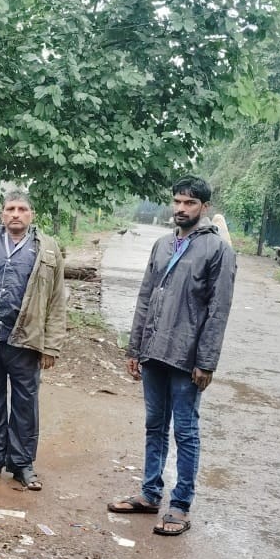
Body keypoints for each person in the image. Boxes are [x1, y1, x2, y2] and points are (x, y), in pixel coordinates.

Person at [108, 176, 237, 535]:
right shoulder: (162, 245)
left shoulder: (217, 251)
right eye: (177, 201)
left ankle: (180, 505)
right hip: (153, 353)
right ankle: (150, 495)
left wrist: (206, 361)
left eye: (189, 203)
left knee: (185, 432)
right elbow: (145, 299)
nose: (181, 208)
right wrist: (134, 348)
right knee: (154, 426)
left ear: (204, 208)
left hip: (187, 358)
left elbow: (218, 310)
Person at [0, 190, 68, 491]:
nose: (15, 214)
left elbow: (57, 300)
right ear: (2, 214)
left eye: (22, 209)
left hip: (26, 340)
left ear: (32, 214)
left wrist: (52, 344)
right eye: (10, 209)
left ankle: (22, 464)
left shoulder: (46, 248)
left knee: (25, 403)